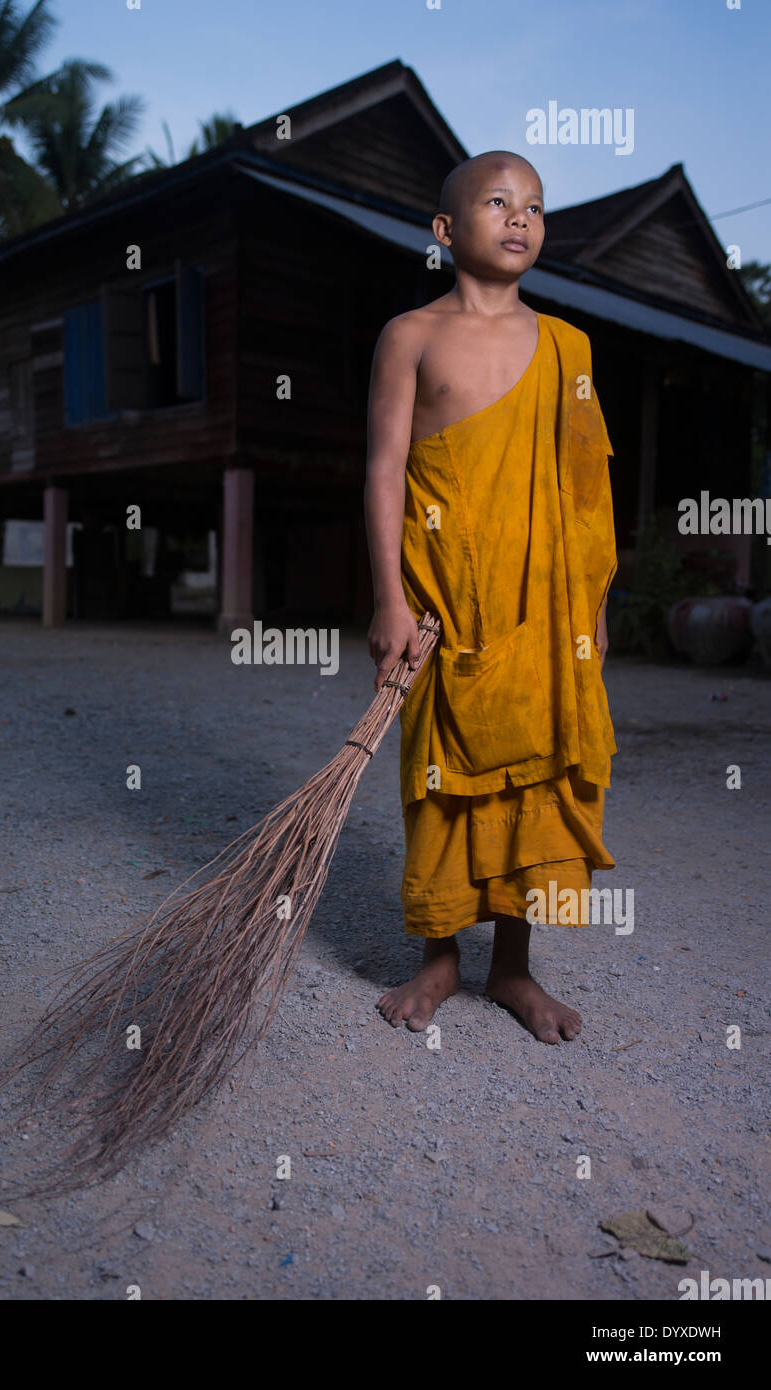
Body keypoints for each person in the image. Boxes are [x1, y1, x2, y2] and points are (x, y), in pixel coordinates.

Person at [364, 151, 617, 1044]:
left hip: (543, 608)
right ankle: (438, 955)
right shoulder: (410, 335)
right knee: (437, 774)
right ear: (444, 231)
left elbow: (586, 489)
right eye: (498, 203)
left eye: (536, 208)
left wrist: (587, 612)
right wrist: (388, 600)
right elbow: (383, 470)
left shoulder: (567, 348)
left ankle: (511, 966)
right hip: (446, 598)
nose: (520, 219)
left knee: (538, 774)